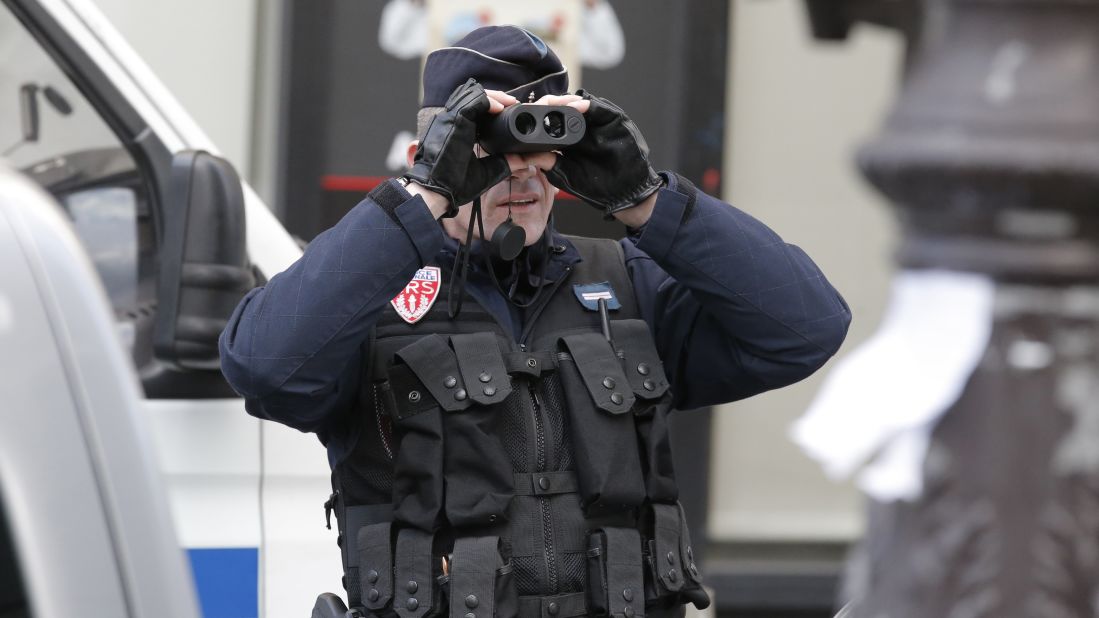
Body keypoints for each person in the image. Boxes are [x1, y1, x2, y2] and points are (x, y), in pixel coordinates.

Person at [220, 25, 851, 618]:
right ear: (430, 155)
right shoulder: (367, 295)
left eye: (538, 151)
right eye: (491, 153)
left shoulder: (628, 284)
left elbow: (806, 327)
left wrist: (648, 199)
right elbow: (262, 366)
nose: (519, 174)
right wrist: (423, 199)